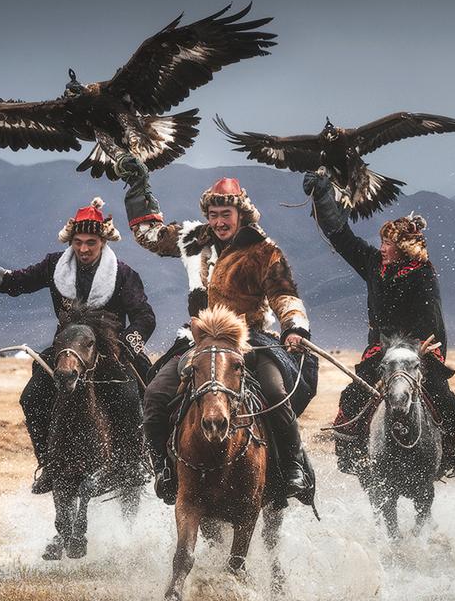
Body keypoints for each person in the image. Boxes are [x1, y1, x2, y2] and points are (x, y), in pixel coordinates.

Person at [119, 155, 318, 505]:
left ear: (241, 214)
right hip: (198, 339)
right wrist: (138, 187)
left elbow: (285, 295)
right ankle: (164, 469)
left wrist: (293, 328)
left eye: (225, 215)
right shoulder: (194, 238)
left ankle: (292, 468)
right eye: (213, 215)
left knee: (274, 391)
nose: (219, 221)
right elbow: (149, 235)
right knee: (155, 395)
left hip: (248, 339)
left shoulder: (263, 251)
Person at [0, 197, 156, 493]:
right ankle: (49, 464)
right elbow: (11, 283)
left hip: (111, 351)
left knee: (130, 397)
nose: (83, 249)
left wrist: (126, 345)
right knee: (31, 397)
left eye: (91, 243)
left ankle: (130, 465)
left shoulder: (123, 274)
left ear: (103, 242)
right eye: (78, 242)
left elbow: (144, 317)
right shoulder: (53, 265)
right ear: (70, 240)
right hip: (67, 350)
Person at [303, 171, 455, 477]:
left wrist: (425, 351)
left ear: (404, 248)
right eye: (381, 242)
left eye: (387, 243)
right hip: (381, 349)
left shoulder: (422, 272)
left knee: (442, 396)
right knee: (353, 396)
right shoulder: (373, 264)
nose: (381, 247)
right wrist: (322, 199)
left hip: (417, 349)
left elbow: (432, 318)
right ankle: (351, 451)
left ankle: (452, 452)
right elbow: (344, 239)